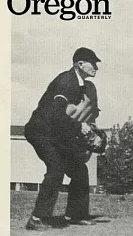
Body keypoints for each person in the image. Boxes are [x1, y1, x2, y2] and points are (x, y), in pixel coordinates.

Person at [24, 47, 102, 230]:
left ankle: (76, 215)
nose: (96, 67)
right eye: (93, 62)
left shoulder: (85, 86)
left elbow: (84, 116)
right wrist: (79, 127)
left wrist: (89, 135)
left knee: (79, 170)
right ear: (80, 64)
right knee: (56, 168)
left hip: (57, 134)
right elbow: (56, 115)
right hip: (40, 131)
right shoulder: (66, 81)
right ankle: (36, 218)